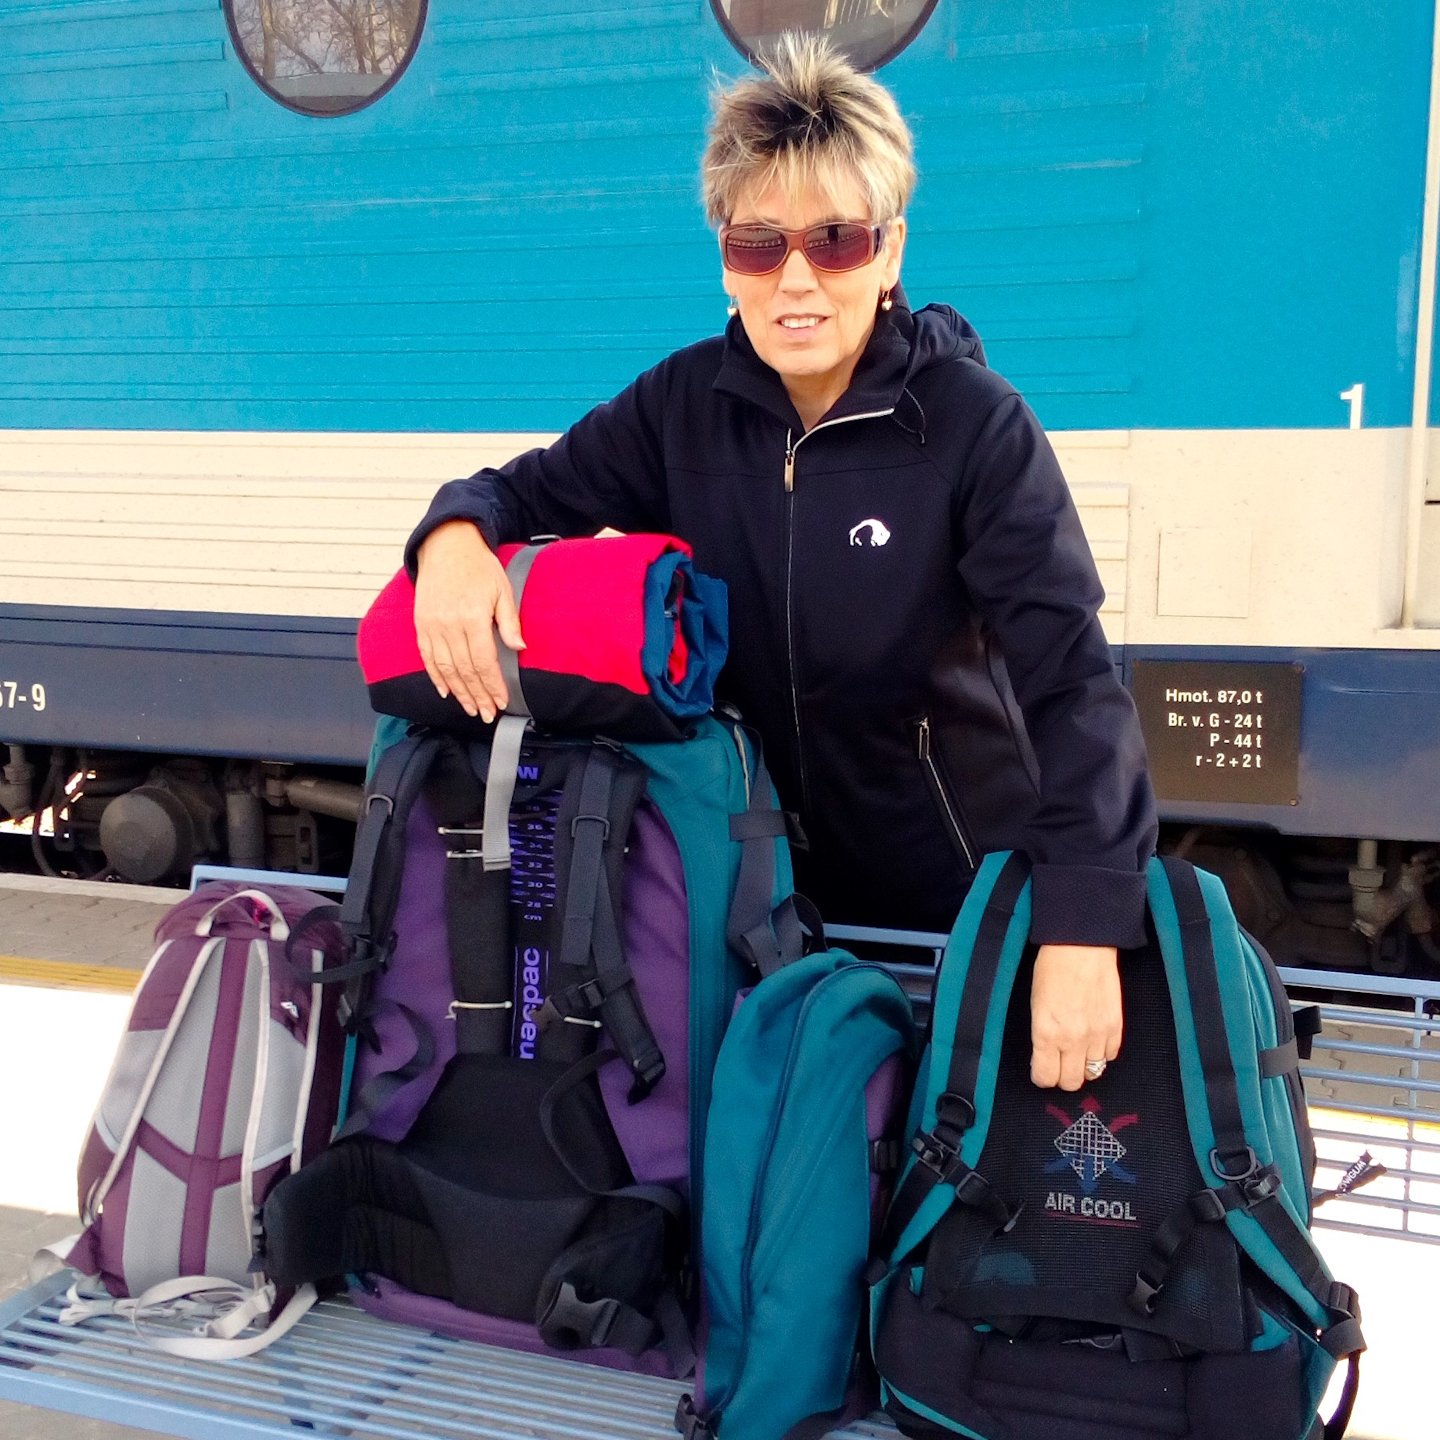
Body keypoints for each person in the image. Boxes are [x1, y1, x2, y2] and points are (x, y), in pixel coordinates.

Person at [401, 34, 1157, 1093]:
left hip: (958, 919)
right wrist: (451, 540)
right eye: (760, 243)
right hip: (758, 910)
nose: (796, 279)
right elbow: (523, 489)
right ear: (726, 259)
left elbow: (1075, 682)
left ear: (890, 253)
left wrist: (1083, 924)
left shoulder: (974, 429)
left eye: (836, 240)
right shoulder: (685, 405)